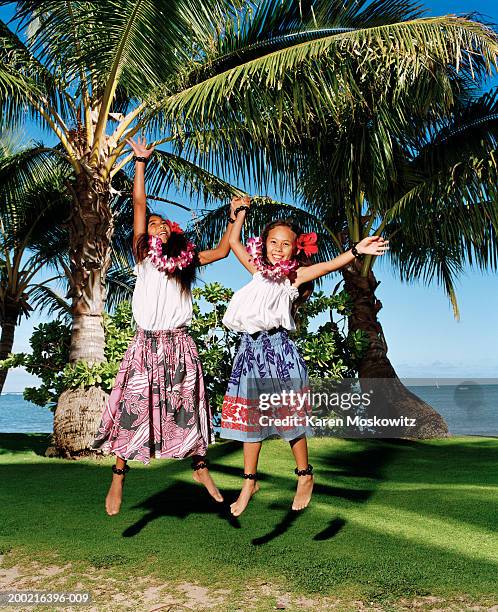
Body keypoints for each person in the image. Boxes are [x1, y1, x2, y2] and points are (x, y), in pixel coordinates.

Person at [93, 137, 235, 516]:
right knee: (131, 408)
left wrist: (236, 218)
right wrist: (140, 163)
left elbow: (222, 252)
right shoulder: (143, 257)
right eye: (151, 225)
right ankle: (119, 475)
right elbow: (139, 205)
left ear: (172, 235)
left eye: (161, 225)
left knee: (187, 407)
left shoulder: (186, 262)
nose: (154, 227)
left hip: (180, 346)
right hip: (145, 344)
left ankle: (200, 468)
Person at [220, 197, 389, 516]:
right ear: (265, 245)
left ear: (295, 249)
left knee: (288, 417)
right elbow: (232, 240)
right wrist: (238, 214)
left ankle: (305, 475)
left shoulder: (293, 277)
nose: (278, 248)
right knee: (248, 421)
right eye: (273, 242)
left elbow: (327, 266)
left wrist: (356, 250)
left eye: (286, 244)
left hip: (278, 351)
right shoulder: (256, 270)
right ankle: (248, 483)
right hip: (248, 351)